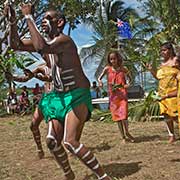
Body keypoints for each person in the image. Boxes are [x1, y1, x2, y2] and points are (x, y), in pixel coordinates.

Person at [5, 3, 110, 180]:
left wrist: (29, 17)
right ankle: (69, 174)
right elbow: (15, 44)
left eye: (48, 19)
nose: (44, 23)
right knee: (52, 141)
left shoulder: (64, 41)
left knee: (70, 142)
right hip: (58, 97)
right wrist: (13, 20)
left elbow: (41, 48)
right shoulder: (47, 44)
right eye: (42, 19)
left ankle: (103, 176)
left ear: (59, 22)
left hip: (77, 95)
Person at [98, 51, 135, 143]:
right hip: (113, 96)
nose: (113, 61)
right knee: (117, 116)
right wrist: (100, 82)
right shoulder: (107, 69)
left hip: (122, 95)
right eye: (111, 59)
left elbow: (131, 79)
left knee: (124, 115)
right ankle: (123, 137)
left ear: (118, 59)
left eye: (114, 58)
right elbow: (99, 78)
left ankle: (127, 132)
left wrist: (127, 85)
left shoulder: (123, 69)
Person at [147, 42, 179, 143]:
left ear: (170, 50)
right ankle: (171, 135)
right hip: (162, 93)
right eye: (161, 51)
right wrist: (151, 70)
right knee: (166, 115)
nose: (162, 52)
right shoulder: (162, 64)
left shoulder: (176, 61)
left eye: (164, 50)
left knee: (176, 115)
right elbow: (158, 77)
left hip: (174, 93)